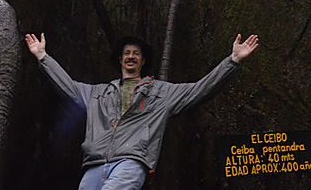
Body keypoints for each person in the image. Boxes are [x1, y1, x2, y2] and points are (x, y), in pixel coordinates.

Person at [24, 32, 259, 190]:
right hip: (94, 165)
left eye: (136, 54)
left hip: (130, 162)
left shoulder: (161, 93)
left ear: (142, 61)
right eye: (127, 53)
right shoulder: (98, 93)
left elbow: (200, 89)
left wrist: (232, 61)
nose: (131, 57)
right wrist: (43, 57)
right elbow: (68, 86)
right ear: (120, 59)